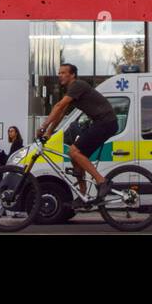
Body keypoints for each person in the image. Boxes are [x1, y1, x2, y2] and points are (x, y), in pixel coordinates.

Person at [37, 63, 119, 206]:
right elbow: (61, 113)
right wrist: (49, 132)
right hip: (101, 123)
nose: (60, 75)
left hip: (106, 122)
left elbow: (58, 106)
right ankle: (83, 195)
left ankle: (102, 182)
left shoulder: (77, 85)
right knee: (75, 157)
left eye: (63, 73)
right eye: (59, 73)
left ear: (72, 75)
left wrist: (43, 126)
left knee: (73, 151)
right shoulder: (72, 91)